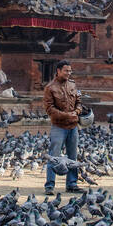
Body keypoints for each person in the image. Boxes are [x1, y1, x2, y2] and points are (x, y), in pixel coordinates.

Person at [42, 60, 82, 194]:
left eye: (70, 71)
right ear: (58, 71)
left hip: (73, 126)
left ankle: (72, 184)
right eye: (66, 71)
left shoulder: (72, 85)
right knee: (54, 156)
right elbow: (49, 109)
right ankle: (49, 185)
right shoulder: (50, 87)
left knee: (72, 156)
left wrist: (76, 112)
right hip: (58, 126)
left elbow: (79, 102)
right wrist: (66, 115)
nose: (69, 73)